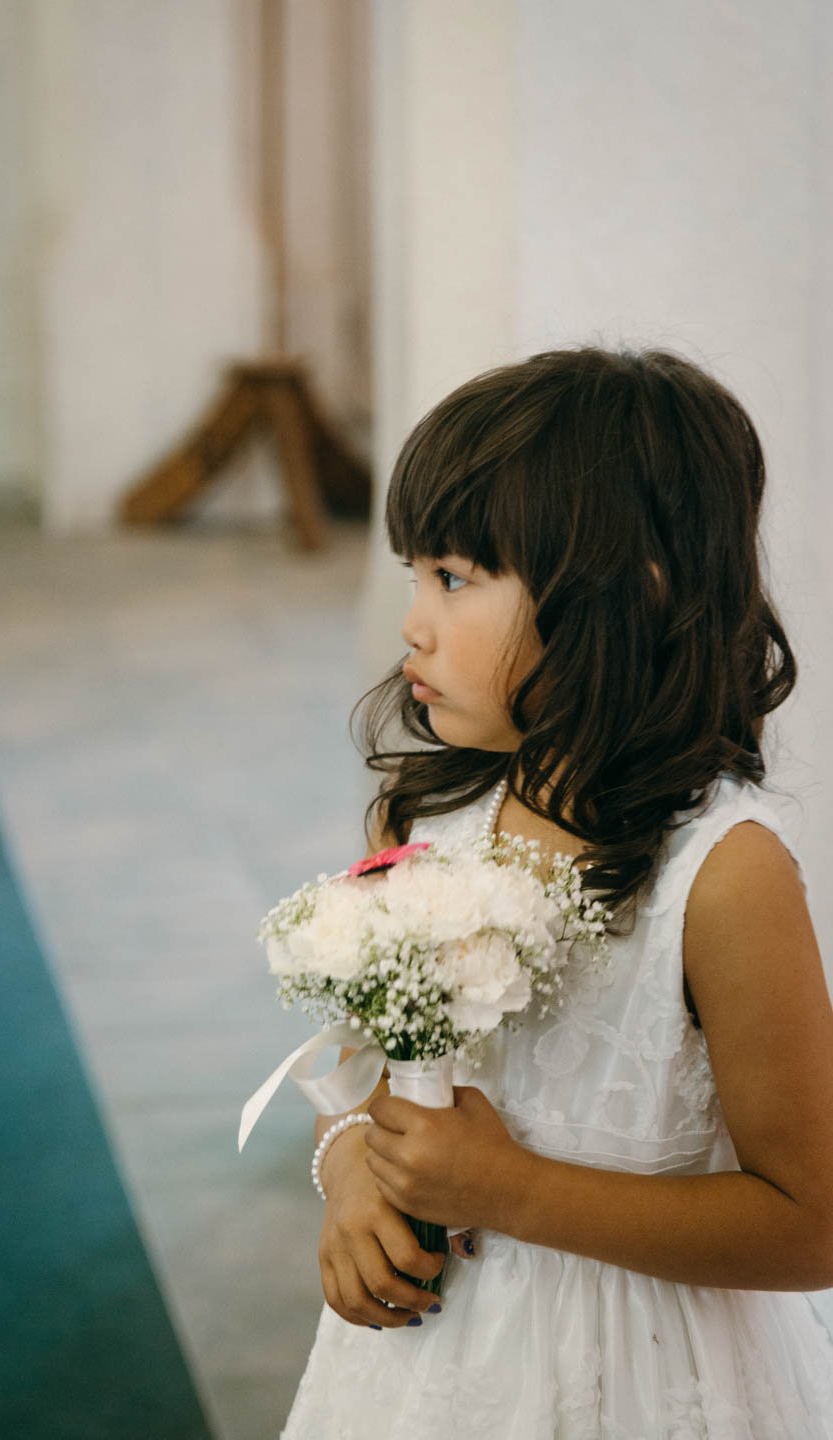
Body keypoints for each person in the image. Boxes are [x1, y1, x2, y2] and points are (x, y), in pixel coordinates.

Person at [279, 344, 833, 1439]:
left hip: (643, 1370)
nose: (412, 624)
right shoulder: (422, 818)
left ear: (623, 597)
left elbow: (812, 1220)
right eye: (414, 574)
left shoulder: (722, 876)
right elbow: (375, 1071)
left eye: (454, 578)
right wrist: (347, 1164)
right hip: (433, 1368)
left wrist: (511, 1192)